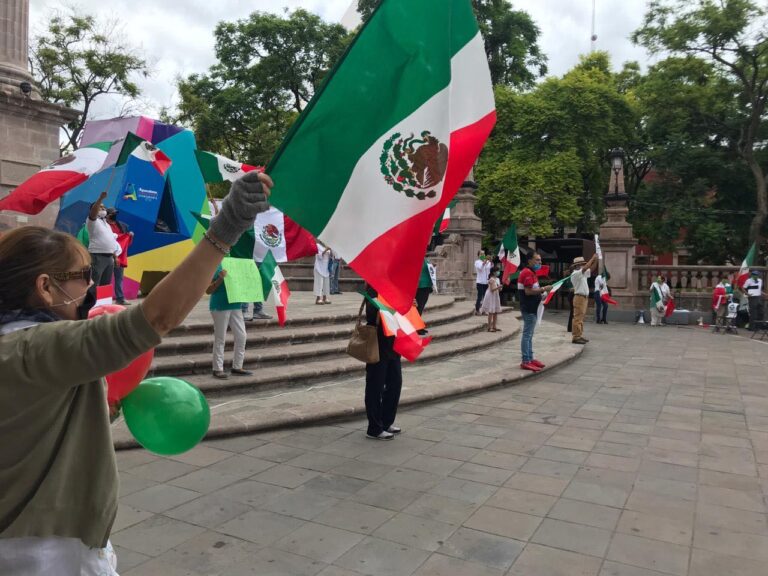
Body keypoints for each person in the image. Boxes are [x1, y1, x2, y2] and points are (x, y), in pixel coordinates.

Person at [0, 170, 272, 574]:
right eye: (82, 277)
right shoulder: (37, 347)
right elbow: (154, 319)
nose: (90, 288)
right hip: (47, 555)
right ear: (45, 287)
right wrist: (225, 229)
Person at [364, 284, 402, 440]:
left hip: (393, 342)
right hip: (378, 342)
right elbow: (372, 313)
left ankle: (386, 422)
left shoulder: (395, 287)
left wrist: (409, 305)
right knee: (375, 384)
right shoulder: (374, 286)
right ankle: (374, 427)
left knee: (395, 383)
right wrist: (389, 306)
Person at [207, 265, 252, 380]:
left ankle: (237, 366)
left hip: (235, 305)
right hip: (220, 306)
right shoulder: (216, 265)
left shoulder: (238, 264)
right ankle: (217, 369)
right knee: (220, 337)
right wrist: (220, 279)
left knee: (241, 336)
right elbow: (208, 290)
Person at [518, 253, 551, 372]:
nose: (540, 263)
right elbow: (528, 291)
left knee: (530, 335)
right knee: (527, 335)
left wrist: (542, 294)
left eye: (540, 260)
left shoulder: (532, 273)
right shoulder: (527, 273)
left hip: (533, 307)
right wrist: (543, 289)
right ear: (529, 261)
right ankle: (526, 361)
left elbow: (533, 290)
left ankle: (530, 358)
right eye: (537, 260)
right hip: (529, 308)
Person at [86, 192, 121, 287]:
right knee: (94, 284)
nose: (103, 208)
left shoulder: (107, 224)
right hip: (98, 257)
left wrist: (115, 257)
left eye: (104, 207)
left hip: (109, 258)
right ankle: (91, 297)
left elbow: (111, 242)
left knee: (105, 285)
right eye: (100, 207)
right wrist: (100, 198)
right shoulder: (92, 221)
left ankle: (102, 298)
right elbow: (93, 212)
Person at [105, 208, 133, 305]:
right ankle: (104, 301)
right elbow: (106, 242)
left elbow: (126, 244)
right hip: (107, 255)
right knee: (105, 279)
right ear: (107, 215)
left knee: (119, 278)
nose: (114, 215)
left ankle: (120, 298)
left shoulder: (122, 226)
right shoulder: (103, 226)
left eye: (115, 213)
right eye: (112, 213)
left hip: (120, 257)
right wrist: (114, 256)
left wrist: (130, 236)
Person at [569, 254, 598, 344]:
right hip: (579, 297)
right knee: (578, 318)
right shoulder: (575, 273)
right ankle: (576, 336)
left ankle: (579, 335)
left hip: (583, 297)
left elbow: (592, 269)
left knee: (581, 317)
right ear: (577, 265)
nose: (583, 265)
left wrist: (596, 260)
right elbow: (586, 268)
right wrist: (592, 258)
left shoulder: (582, 273)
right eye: (582, 264)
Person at [481, 267, 502, 332]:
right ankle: (489, 327)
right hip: (491, 295)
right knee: (491, 311)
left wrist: (500, 288)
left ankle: (494, 326)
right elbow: (492, 289)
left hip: (496, 295)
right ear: (493, 272)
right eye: (497, 271)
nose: (498, 272)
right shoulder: (491, 279)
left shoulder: (497, 279)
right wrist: (498, 287)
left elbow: (498, 289)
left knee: (495, 311)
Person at [474, 250, 492, 315]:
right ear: (478, 255)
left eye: (484, 254)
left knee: (485, 297)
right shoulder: (477, 262)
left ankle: (484, 310)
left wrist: (490, 261)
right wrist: (484, 262)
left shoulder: (487, 262)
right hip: (480, 282)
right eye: (481, 254)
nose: (483, 255)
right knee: (480, 296)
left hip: (486, 282)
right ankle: (477, 310)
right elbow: (480, 268)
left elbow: (489, 270)